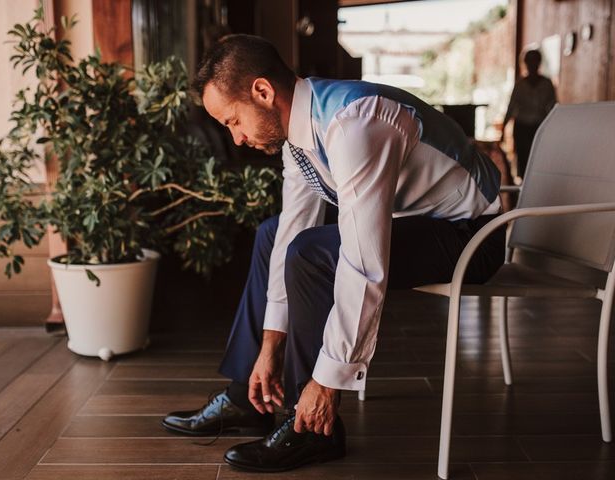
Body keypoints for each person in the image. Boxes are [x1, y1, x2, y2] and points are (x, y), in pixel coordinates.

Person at [163, 34, 506, 472]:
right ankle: (248, 395)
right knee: (276, 234)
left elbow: (364, 264)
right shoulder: (299, 135)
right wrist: (271, 346)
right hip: (416, 225)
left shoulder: (356, 124)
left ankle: (310, 426)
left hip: (472, 237)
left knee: (311, 252)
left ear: (263, 92)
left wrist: (328, 383)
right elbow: (292, 228)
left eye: (233, 121)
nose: (238, 139)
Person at [501, 48, 557, 180]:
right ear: (525, 64)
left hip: (540, 126)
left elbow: (553, 107)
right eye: (529, 62)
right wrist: (504, 127)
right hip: (522, 126)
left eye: (534, 61)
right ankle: (523, 187)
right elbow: (512, 106)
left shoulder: (547, 84)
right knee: (523, 158)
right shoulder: (520, 85)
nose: (532, 64)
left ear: (539, 63)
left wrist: (555, 127)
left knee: (540, 157)